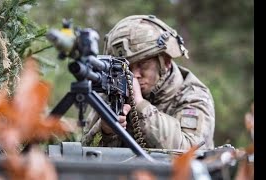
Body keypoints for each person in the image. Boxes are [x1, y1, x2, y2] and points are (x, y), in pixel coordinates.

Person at [81, 15, 215, 150]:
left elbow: (191, 151)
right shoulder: (112, 93)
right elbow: (85, 153)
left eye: (142, 64)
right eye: (125, 68)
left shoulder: (193, 96)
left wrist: (139, 105)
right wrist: (105, 131)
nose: (133, 76)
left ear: (166, 61)